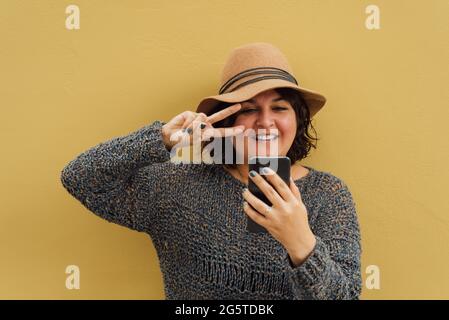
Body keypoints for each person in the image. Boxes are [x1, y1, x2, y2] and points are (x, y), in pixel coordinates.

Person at [60, 42, 362, 299]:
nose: (266, 122)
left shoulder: (328, 195)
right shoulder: (178, 185)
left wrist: (301, 244)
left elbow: (346, 294)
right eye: (249, 109)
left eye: (280, 108)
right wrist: (162, 138)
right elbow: (81, 178)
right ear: (227, 121)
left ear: (298, 120)